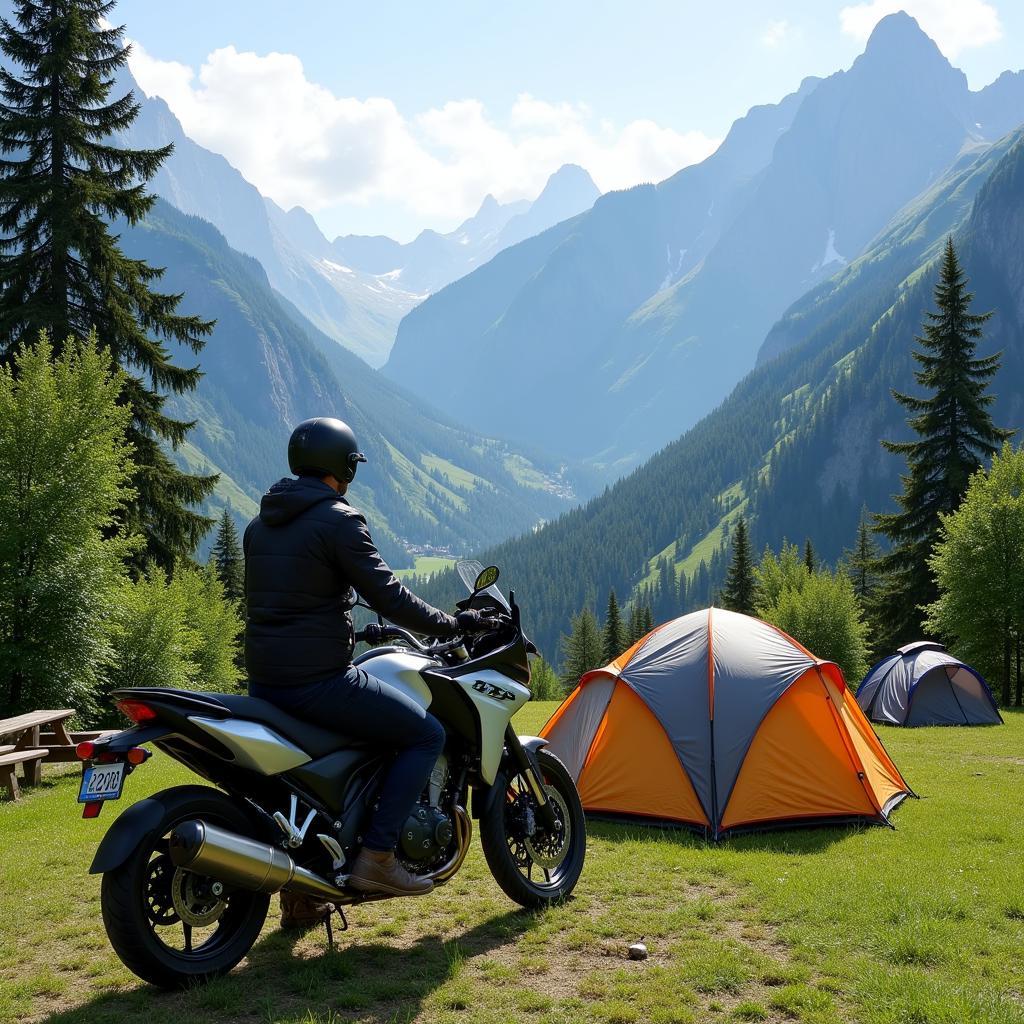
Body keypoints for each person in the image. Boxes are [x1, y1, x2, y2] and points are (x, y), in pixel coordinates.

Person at [243, 417, 492, 928]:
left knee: (305, 780)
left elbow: (292, 603)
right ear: (344, 467)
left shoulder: (259, 525)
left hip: (267, 684)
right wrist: (450, 622)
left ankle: (303, 893)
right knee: (425, 733)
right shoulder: (339, 520)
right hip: (319, 683)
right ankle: (378, 857)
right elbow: (388, 595)